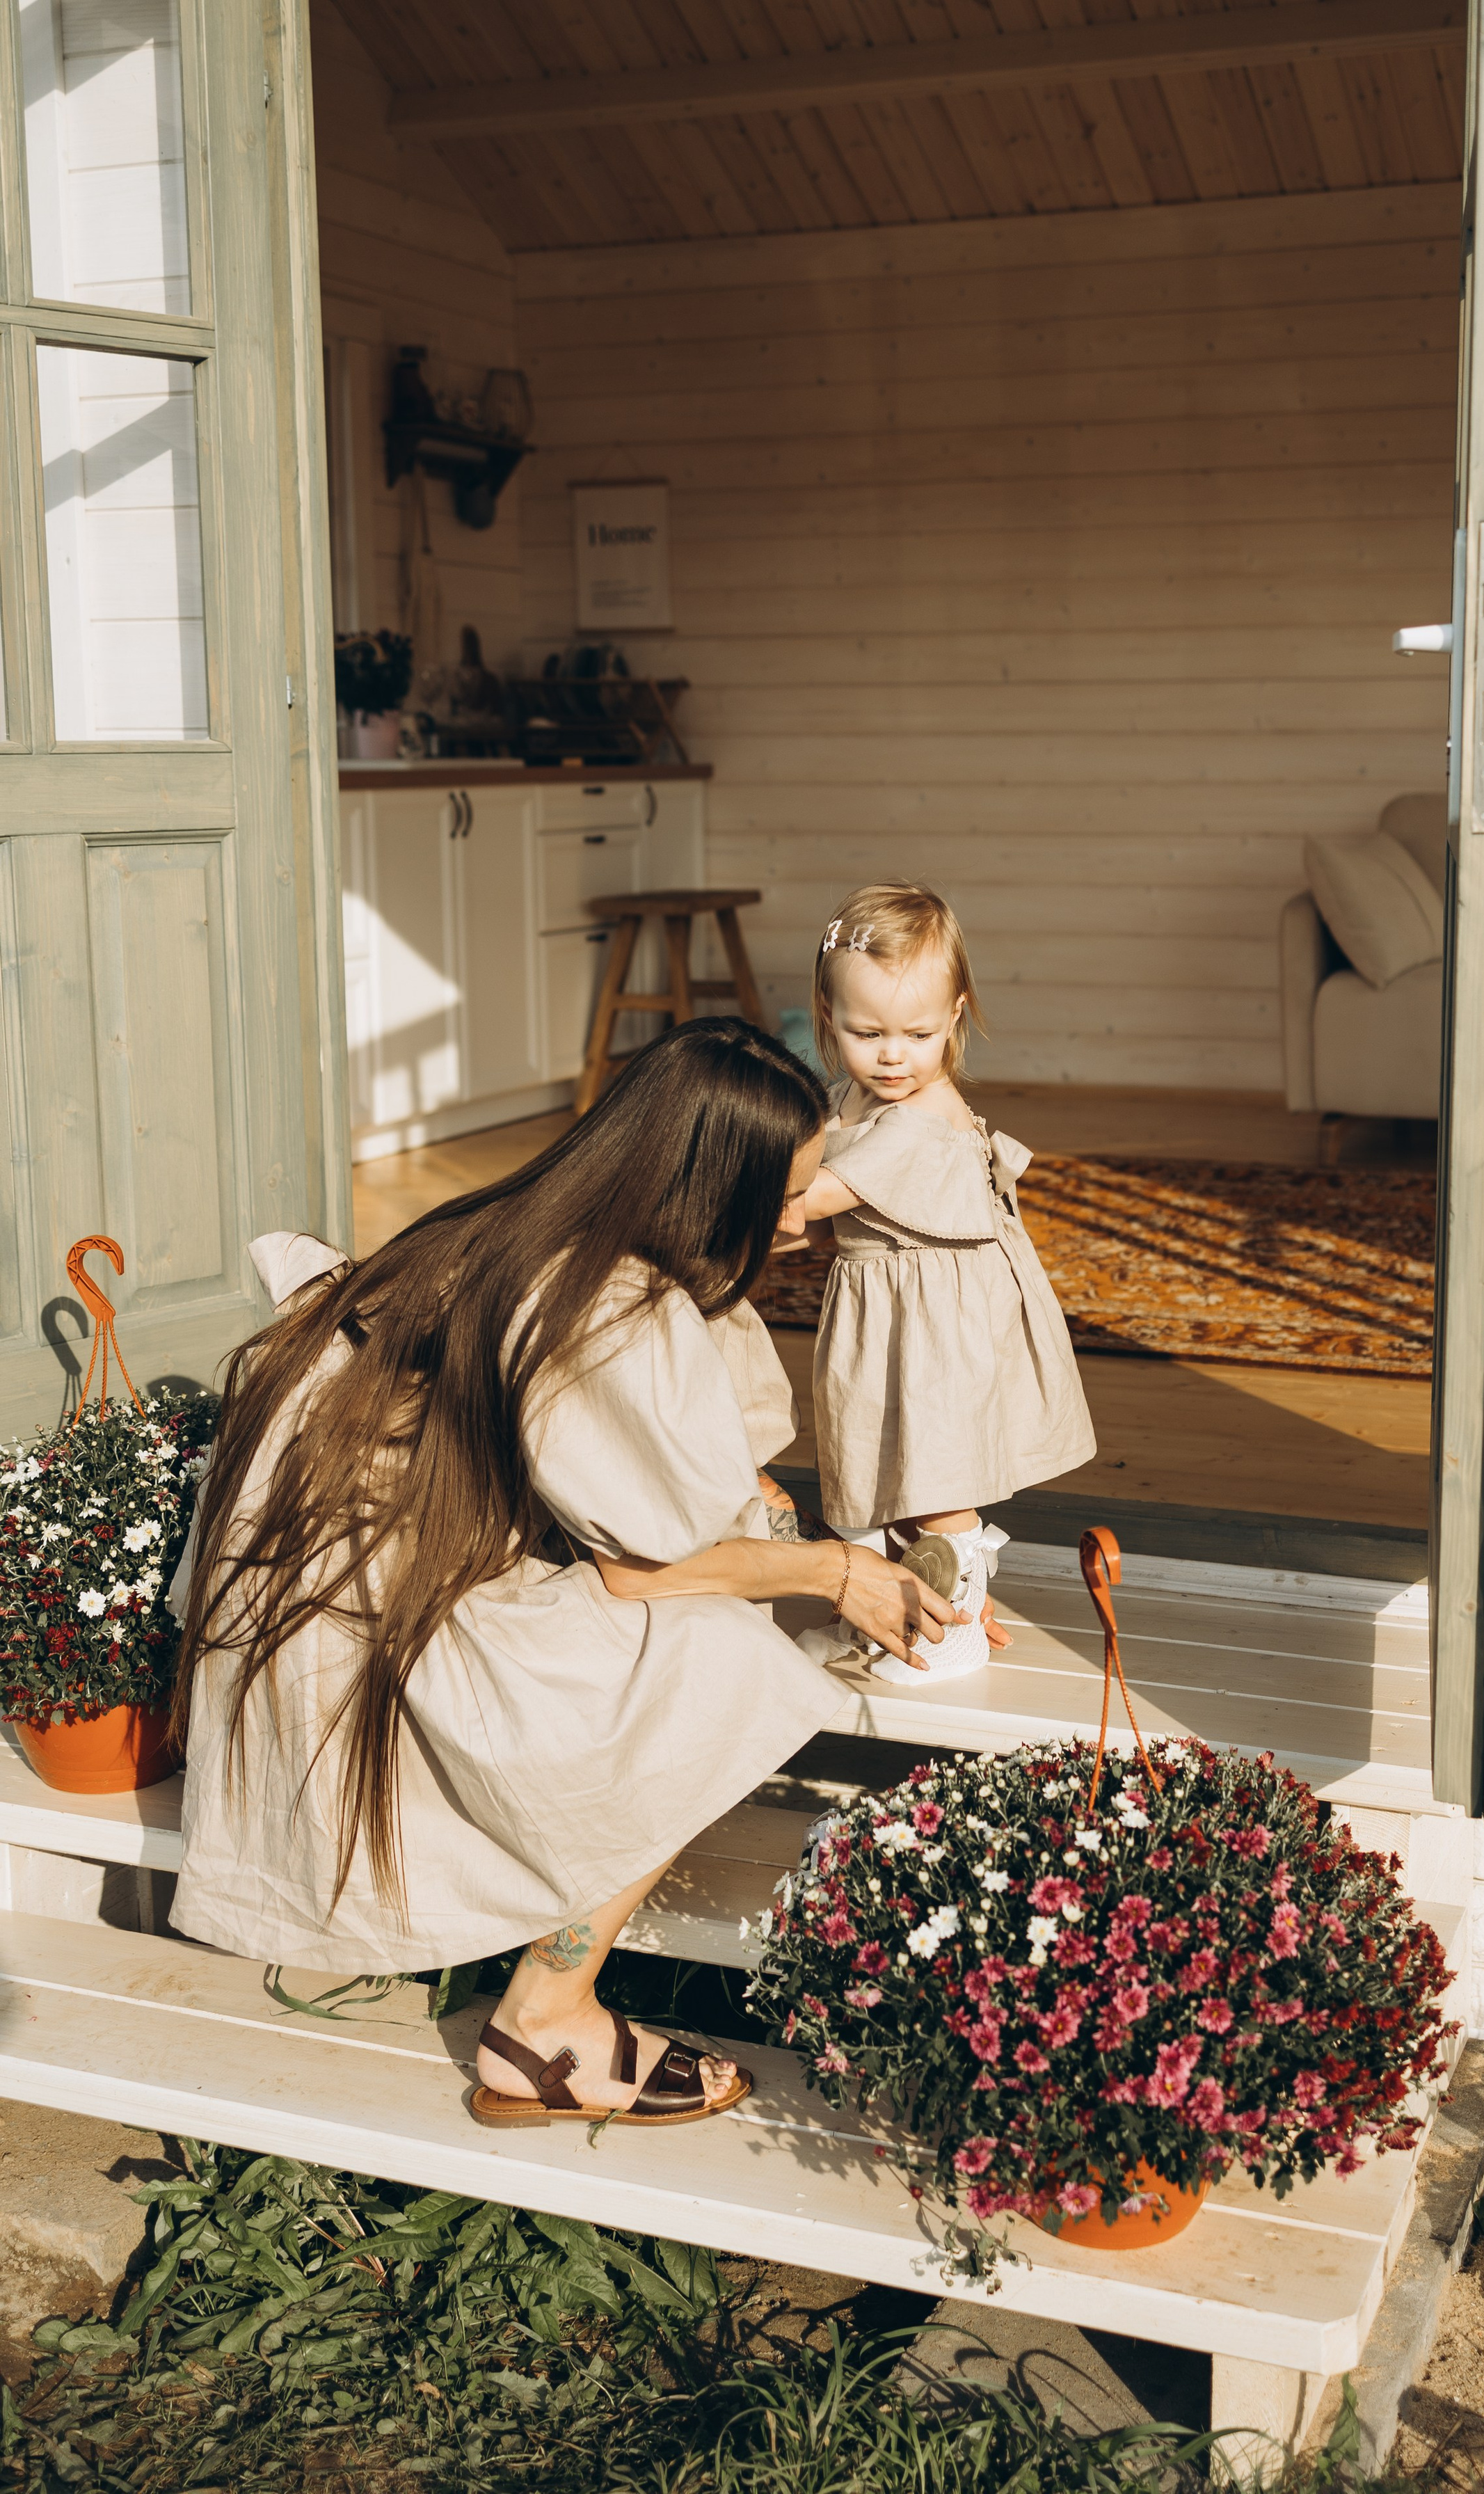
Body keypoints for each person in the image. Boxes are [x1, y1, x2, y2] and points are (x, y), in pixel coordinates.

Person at [169, 1018, 962, 2131]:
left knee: (737, 1588)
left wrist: (764, 1527)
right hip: (369, 1646)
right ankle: (546, 2016)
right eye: (784, 1196)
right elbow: (646, 1573)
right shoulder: (610, 1305)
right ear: (707, 1191)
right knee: (724, 1660)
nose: (801, 1220)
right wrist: (835, 1572)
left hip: (317, 1602)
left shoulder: (529, 1225)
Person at [799, 884, 1095, 1685]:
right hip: (884, 1312)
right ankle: (883, 1615)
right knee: (878, 1465)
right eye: (867, 1034)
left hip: (939, 1325)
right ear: (828, 1016)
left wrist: (741, 1192)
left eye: (919, 1034)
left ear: (955, 1017)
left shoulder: (926, 1114)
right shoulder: (853, 1098)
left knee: (932, 1476)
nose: (893, 1056)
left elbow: (817, 1196)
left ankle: (951, 1630)